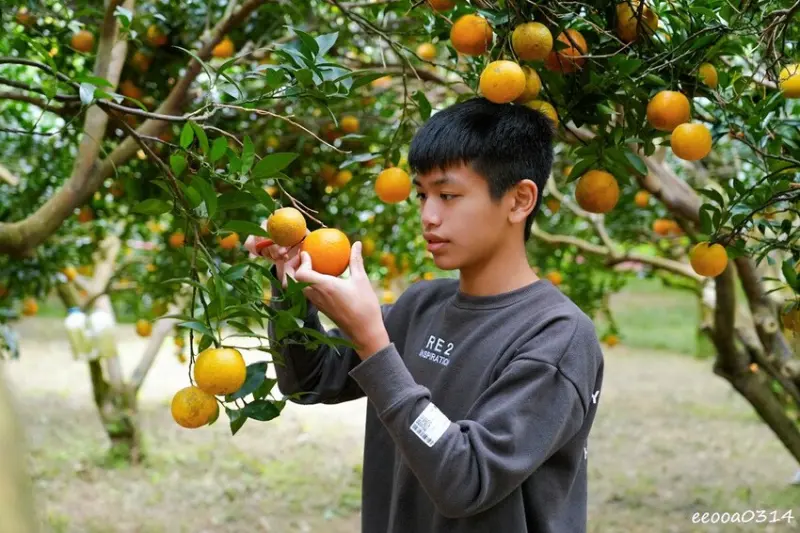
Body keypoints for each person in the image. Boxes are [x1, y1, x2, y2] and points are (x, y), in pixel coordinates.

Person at [245, 97, 605, 533]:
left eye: (448, 195)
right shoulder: (420, 307)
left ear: (519, 200)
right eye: (422, 195)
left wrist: (373, 343)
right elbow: (308, 380)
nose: (428, 216)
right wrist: (290, 286)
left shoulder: (557, 338)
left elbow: (466, 479)